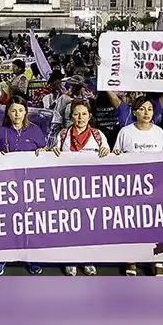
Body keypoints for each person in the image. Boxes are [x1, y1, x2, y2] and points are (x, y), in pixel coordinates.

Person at [48, 100, 107, 276]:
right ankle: (70, 259)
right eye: (76, 114)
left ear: (90, 116)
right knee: (69, 225)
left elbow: (109, 160)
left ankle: (86, 259)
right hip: (67, 189)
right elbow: (52, 157)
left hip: (90, 190)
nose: (80, 118)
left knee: (88, 225)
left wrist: (107, 153)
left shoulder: (98, 135)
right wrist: (52, 152)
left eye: (83, 114)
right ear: (71, 116)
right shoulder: (63, 135)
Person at [0, 97, 46, 276]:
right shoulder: (0, 132)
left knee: (30, 224)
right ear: (8, 112)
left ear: (26, 111)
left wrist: (44, 152)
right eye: (13, 110)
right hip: (8, 187)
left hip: (30, 187)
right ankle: (2, 258)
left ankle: (32, 258)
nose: (17, 114)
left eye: (20, 110)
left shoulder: (35, 131)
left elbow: (45, 153)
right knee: (6, 224)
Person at [113, 95, 163, 276]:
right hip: (131, 186)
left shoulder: (159, 132)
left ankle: (157, 261)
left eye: (150, 109)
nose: (146, 113)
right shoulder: (126, 132)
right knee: (132, 224)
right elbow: (116, 156)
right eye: (142, 109)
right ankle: (132, 260)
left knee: (155, 224)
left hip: (156, 186)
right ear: (135, 111)